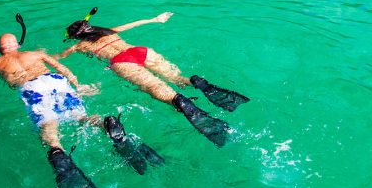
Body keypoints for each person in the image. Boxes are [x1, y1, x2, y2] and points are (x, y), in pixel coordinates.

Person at [0, 33, 164, 188]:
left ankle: (59, 154)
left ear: (0, 49)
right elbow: (61, 66)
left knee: (48, 128)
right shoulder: (35, 54)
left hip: (31, 89)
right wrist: (77, 84)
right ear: (17, 44)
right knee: (81, 117)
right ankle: (104, 124)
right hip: (54, 81)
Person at [57, 11, 249, 147]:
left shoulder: (80, 46)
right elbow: (134, 23)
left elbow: (59, 58)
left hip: (121, 62)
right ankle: (195, 82)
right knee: (176, 78)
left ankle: (179, 101)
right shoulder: (109, 31)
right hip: (139, 51)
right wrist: (156, 19)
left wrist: (60, 52)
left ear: (77, 36)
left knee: (155, 87)